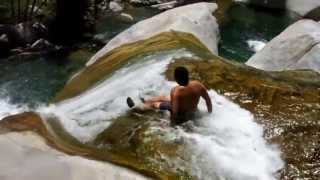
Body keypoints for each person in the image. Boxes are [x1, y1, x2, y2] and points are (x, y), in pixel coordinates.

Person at [127, 66, 212, 125]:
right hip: (192, 111)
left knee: (155, 104)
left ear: (177, 79)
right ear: (187, 76)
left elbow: (174, 112)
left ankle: (136, 107)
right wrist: (209, 114)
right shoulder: (198, 85)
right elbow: (208, 100)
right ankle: (145, 100)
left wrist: (172, 126)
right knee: (164, 97)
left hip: (181, 113)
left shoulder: (176, 92)